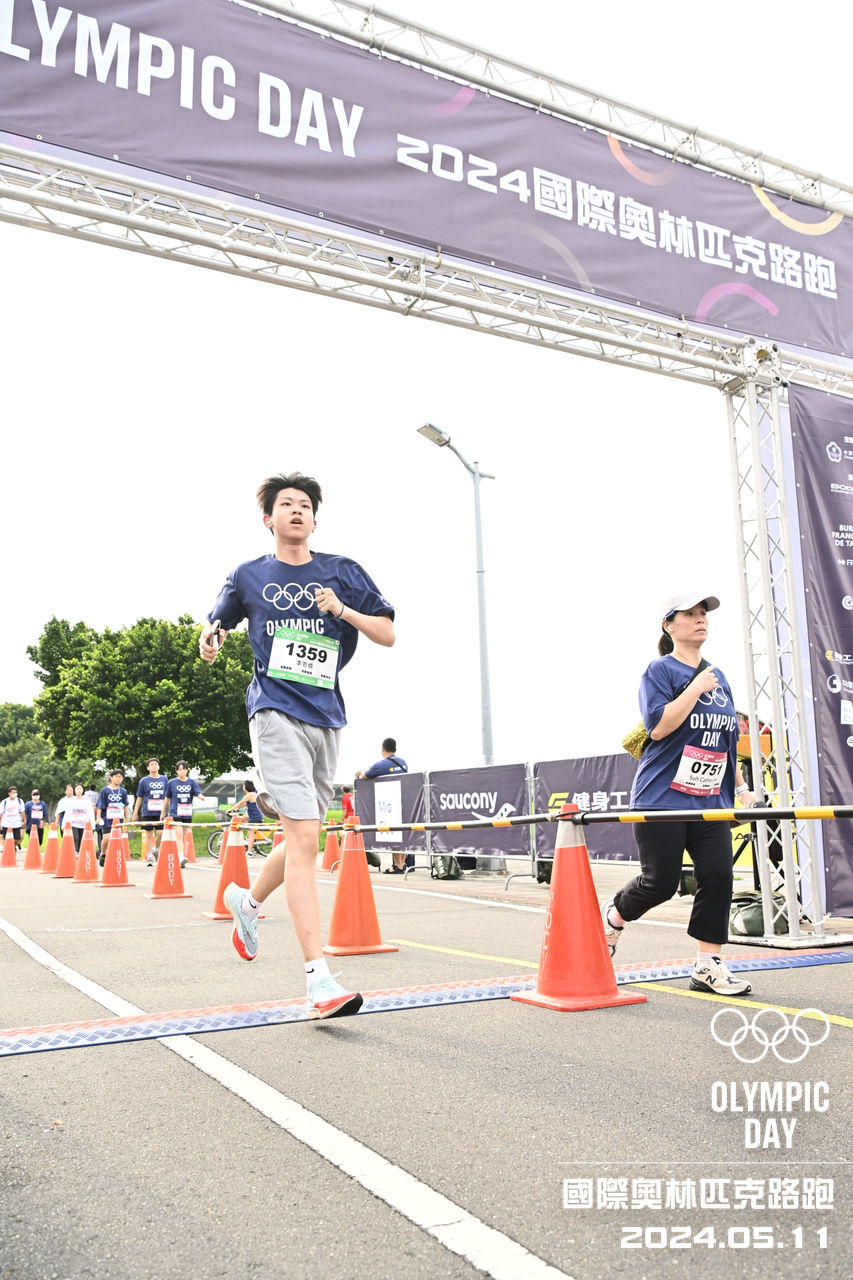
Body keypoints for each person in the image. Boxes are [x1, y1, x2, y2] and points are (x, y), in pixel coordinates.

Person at [199, 471, 395, 1020]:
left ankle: (247, 901)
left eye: (305, 504)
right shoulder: (249, 575)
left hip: (326, 715)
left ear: (314, 518)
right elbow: (214, 624)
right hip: (273, 710)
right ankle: (318, 981)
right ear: (269, 518)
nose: (297, 510)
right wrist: (209, 639)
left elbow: (387, 633)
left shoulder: (342, 571)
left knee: (304, 836)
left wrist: (342, 610)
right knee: (306, 835)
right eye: (286, 504)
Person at [602, 592, 759, 996]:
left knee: (719, 875)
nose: (700, 619)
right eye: (689, 614)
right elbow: (658, 727)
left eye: (703, 613)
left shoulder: (719, 677)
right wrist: (695, 689)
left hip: (710, 803)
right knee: (661, 883)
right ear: (669, 625)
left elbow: (723, 744)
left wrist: (742, 790)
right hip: (662, 798)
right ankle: (615, 917)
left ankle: (708, 964)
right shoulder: (660, 670)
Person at [355, 737, 409, 873]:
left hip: (389, 804)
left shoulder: (380, 765)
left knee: (394, 834)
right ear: (395, 749)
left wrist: (362, 771)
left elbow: (365, 776)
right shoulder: (403, 763)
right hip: (404, 802)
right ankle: (402, 864)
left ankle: (397, 866)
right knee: (401, 835)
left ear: (382, 749)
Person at [163, 761, 203, 866]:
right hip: (175, 812)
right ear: (176, 771)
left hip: (187, 812)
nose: (182, 771)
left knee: (184, 836)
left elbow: (197, 792)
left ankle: (179, 855)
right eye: (180, 769)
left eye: (184, 769)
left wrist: (201, 797)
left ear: (187, 770)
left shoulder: (191, 782)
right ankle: (181, 857)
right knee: (179, 835)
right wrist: (163, 812)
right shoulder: (172, 782)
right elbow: (167, 798)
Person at [132, 758, 170, 866]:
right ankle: (149, 857)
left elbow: (168, 796)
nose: (154, 766)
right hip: (147, 812)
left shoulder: (164, 779)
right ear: (148, 767)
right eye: (151, 764)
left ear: (159, 767)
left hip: (161, 812)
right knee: (149, 834)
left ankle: (156, 849)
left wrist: (169, 810)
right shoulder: (144, 781)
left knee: (161, 833)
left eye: (156, 764)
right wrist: (135, 813)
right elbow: (139, 797)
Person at [95, 769, 131, 866]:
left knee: (115, 838)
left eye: (120, 777)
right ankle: (103, 853)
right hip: (107, 818)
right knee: (106, 838)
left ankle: (113, 856)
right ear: (111, 777)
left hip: (118, 818)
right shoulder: (105, 790)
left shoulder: (123, 791)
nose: (118, 779)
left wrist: (127, 820)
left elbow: (125, 805)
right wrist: (98, 817)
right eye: (116, 776)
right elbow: (100, 805)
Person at [228, 779, 266, 856]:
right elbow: (245, 804)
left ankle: (250, 852)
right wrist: (237, 808)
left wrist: (230, 810)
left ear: (246, 787)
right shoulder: (253, 794)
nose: (243, 786)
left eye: (244, 785)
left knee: (250, 834)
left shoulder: (250, 795)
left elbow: (240, 802)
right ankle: (248, 841)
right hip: (254, 815)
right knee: (242, 819)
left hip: (255, 817)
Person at [67, 782, 97, 853]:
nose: (79, 790)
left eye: (80, 789)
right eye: (77, 789)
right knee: (75, 838)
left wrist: (92, 825)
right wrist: (65, 824)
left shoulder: (87, 801)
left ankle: (81, 852)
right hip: (74, 823)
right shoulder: (71, 801)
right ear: (74, 790)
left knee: (82, 839)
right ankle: (75, 852)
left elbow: (91, 813)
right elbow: (67, 813)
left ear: (83, 790)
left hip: (84, 824)